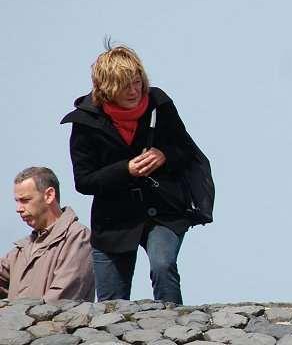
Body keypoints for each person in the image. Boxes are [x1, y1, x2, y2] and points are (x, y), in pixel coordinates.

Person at [61, 42, 213, 304]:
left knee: (163, 265)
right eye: (125, 86)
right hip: (113, 222)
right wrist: (126, 170)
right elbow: (84, 181)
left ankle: (176, 327)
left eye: (137, 82)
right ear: (107, 87)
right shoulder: (84, 123)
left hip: (163, 210)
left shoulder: (160, 104)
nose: (134, 91)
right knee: (111, 303)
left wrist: (164, 156)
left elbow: (186, 151)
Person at [0, 167, 94, 301]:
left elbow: (60, 301)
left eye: (25, 200)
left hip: (57, 322)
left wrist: (18, 318)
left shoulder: (78, 238)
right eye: (17, 201)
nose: (18, 209)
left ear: (49, 195)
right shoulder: (21, 250)